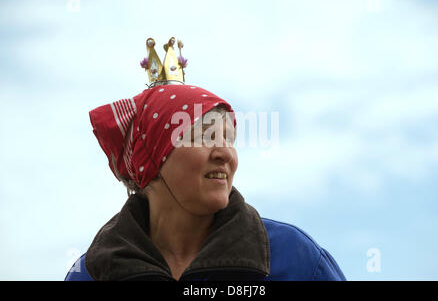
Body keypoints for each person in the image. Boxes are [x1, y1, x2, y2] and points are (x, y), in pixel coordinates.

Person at [65, 37, 346, 281]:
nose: (225, 153)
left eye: (229, 139)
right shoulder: (91, 273)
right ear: (152, 156)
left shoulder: (295, 260)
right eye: (205, 136)